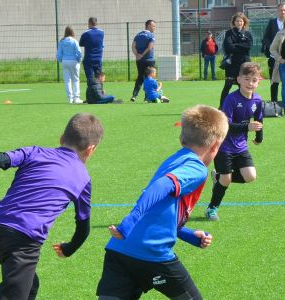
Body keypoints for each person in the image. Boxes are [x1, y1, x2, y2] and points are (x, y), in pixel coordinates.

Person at [0, 113, 104, 300]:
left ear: (61, 139)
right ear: (91, 149)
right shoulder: (83, 179)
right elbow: (83, 227)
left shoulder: (34, 151)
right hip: (23, 242)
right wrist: (69, 248)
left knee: (30, 285)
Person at [96, 104, 228, 299]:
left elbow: (158, 208)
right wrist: (130, 221)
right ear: (215, 145)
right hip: (152, 254)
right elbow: (161, 187)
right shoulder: (197, 168)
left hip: (119, 251)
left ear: (182, 137)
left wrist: (189, 235)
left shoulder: (174, 159)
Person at [205, 62, 263, 221]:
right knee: (226, 179)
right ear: (238, 79)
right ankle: (212, 209)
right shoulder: (231, 99)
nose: (250, 83)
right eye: (246, 79)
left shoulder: (257, 100)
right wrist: (247, 127)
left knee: (250, 176)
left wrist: (259, 138)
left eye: (254, 80)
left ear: (259, 82)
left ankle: (218, 178)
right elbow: (227, 125)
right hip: (223, 146)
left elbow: (259, 121)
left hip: (241, 146)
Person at [219, 12, 252, 109]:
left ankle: (245, 106)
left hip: (244, 64)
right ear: (234, 22)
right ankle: (222, 106)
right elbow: (228, 47)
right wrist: (241, 46)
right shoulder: (229, 33)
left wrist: (236, 45)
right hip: (232, 64)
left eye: (241, 21)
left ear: (244, 22)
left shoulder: (247, 33)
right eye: (237, 21)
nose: (239, 23)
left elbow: (248, 46)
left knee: (243, 86)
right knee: (227, 86)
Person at [262, 3, 285, 103]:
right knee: (274, 82)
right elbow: (265, 38)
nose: (283, 12)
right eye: (281, 10)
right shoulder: (272, 23)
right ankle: (274, 102)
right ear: (278, 11)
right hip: (274, 58)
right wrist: (272, 49)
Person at [130, 20, 156, 102]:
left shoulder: (138, 35)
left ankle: (134, 95)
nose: (154, 28)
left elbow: (133, 46)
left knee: (140, 77)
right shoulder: (151, 35)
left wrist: (137, 55)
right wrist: (143, 54)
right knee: (149, 78)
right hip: (149, 59)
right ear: (148, 26)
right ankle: (147, 97)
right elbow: (150, 47)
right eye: (153, 26)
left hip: (139, 61)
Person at [57, 26, 83, 104]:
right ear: (72, 32)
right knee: (75, 79)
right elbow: (78, 52)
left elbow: (59, 53)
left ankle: (70, 98)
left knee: (67, 80)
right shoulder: (74, 41)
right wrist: (79, 59)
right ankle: (76, 98)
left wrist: (60, 60)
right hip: (74, 61)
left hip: (65, 61)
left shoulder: (62, 41)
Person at [79, 17, 104, 85]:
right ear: (96, 23)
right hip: (99, 59)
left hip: (89, 59)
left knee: (90, 78)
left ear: (89, 23)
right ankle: (100, 92)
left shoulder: (86, 33)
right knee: (99, 77)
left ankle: (91, 94)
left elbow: (81, 44)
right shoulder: (102, 32)